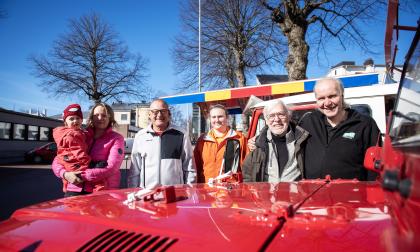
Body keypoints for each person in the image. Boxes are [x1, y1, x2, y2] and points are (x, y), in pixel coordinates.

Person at [299, 77, 380, 180]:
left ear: (342, 95)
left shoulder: (365, 124)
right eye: (321, 98)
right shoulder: (309, 122)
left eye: (332, 96)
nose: (327, 103)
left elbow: (375, 168)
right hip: (313, 192)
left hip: (352, 193)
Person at [52, 103, 125, 197]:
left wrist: (82, 175)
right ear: (91, 117)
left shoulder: (116, 138)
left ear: (110, 118)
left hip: (102, 190)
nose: (100, 118)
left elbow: (112, 167)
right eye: (96, 115)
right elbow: (59, 158)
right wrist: (65, 174)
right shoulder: (80, 135)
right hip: (74, 188)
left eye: (104, 115)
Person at [127, 99, 196, 188]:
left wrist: (190, 190)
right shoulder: (140, 136)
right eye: (155, 112)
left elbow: (189, 167)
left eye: (163, 111)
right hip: (147, 194)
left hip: (175, 193)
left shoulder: (181, 134)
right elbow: (134, 170)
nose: (159, 115)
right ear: (149, 114)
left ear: (169, 114)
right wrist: (133, 191)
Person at [243, 100, 309, 182]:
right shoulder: (258, 146)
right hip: (266, 193)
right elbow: (247, 177)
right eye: (271, 116)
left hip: (296, 193)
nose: (277, 119)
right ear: (266, 121)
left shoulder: (303, 140)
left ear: (288, 117)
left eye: (281, 114)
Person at [53, 104, 105, 192]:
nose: (75, 121)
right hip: (74, 161)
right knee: (99, 174)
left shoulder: (78, 133)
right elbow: (78, 151)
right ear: (65, 122)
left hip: (69, 162)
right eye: (71, 119)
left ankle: (65, 186)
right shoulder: (71, 135)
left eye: (78, 118)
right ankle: (99, 188)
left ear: (81, 120)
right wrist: (89, 162)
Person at [194, 104, 248, 183]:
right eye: (213, 117)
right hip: (207, 189)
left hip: (230, 189)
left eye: (220, 116)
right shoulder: (202, 140)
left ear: (227, 118)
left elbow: (246, 166)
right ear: (210, 119)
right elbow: (196, 167)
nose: (217, 120)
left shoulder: (239, 138)